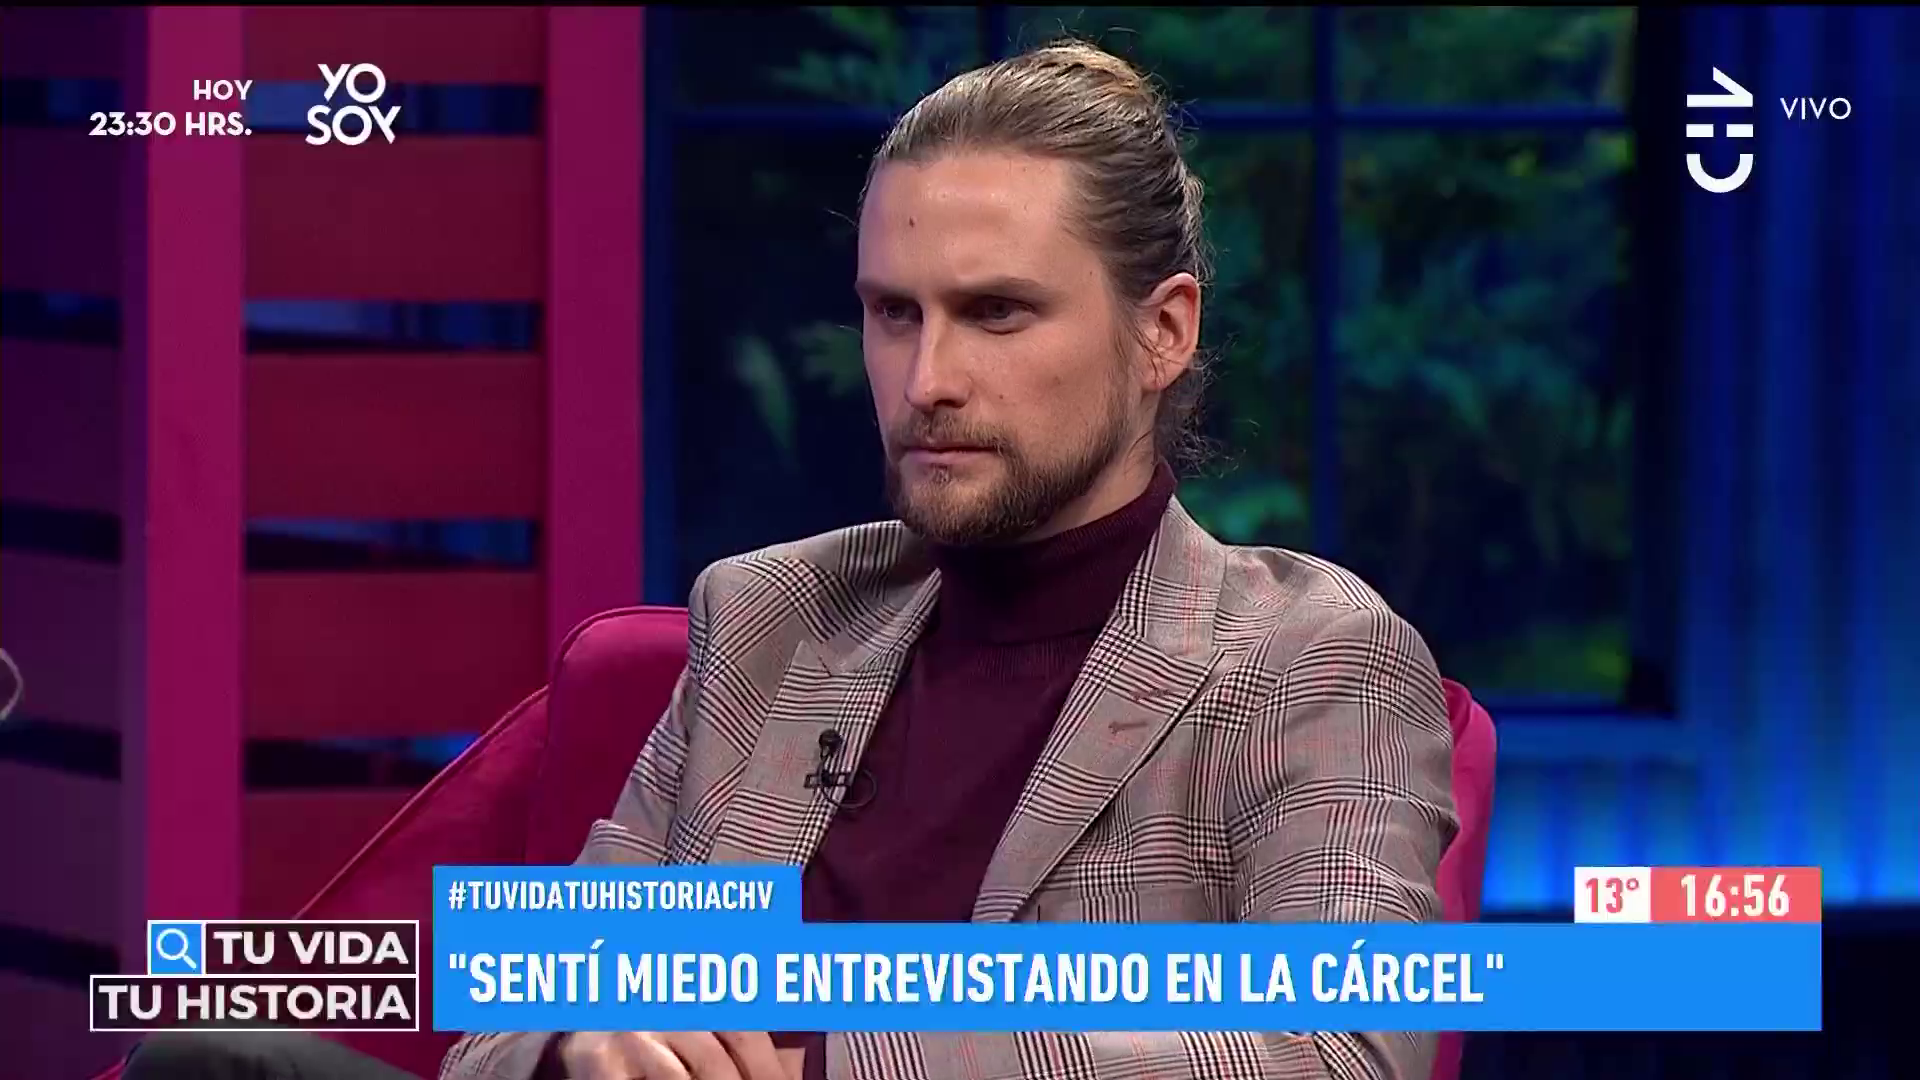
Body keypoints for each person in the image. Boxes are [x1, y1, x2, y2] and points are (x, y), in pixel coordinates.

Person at [126, 38, 1455, 1080]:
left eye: (997, 313)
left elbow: (1339, 1052)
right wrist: (585, 1039)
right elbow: (511, 1020)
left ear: (1162, 332)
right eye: (895, 315)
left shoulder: (1308, 656)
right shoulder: (770, 615)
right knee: (211, 1060)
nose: (927, 381)